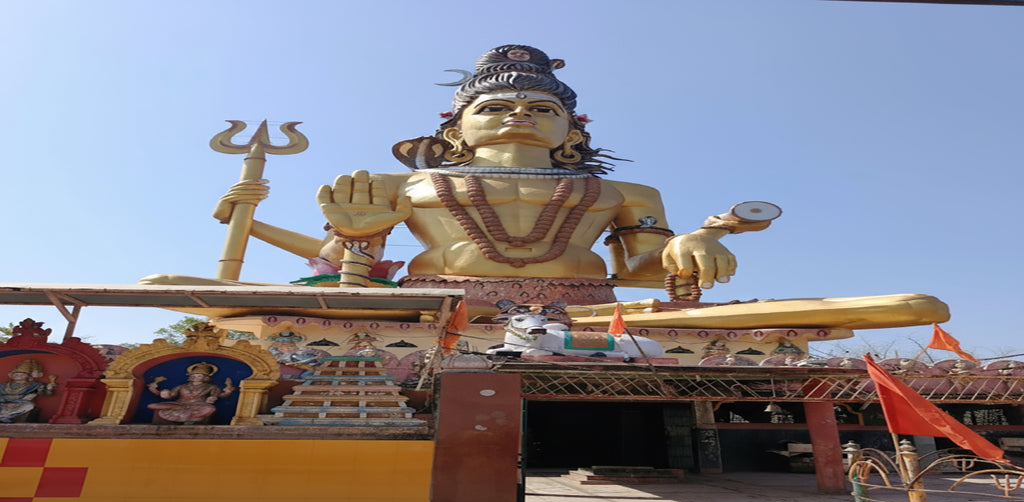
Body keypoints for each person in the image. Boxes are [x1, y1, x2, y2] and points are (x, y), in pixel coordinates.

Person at [141, 44, 947, 329]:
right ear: (457, 128)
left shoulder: (631, 193)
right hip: (433, 306)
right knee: (162, 285)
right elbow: (340, 266)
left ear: (573, 131)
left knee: (914, 306)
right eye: (496, 105)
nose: (518, 115)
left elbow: (644, 277)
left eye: (539, 107)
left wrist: (688, 247)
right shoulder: (398, 179)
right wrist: (309, 230)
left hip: (594, 311)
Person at [147, 362, 234, 424]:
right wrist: (156, 390)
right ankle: (185, 415)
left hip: (198, 405)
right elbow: (170, 395)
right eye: (194, 376)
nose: (196, 378)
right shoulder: (182, 386)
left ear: (206, 377)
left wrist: (227, 391)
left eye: (199, 376)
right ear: (190, 376)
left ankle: (189, 417)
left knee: (210, 409)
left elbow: (219, 395)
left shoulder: (211, 387)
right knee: (152, 405)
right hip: (179, 404)